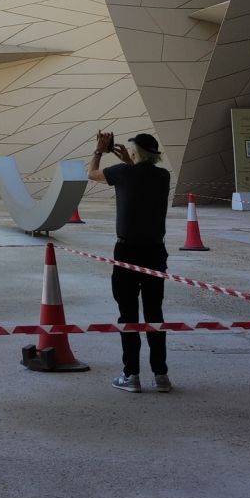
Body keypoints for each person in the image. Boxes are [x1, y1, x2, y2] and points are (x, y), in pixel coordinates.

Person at [88, 131, 172, 394]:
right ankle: (161, 376)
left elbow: (92, 173)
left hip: (127, 252)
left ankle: (131, 374)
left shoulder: (123, 173)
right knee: (154, 314)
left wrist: (99, 150)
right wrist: (129, 160)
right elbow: (141, 175)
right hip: (156, 252)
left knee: (128, 314)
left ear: (135, 153)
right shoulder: (163, 176)